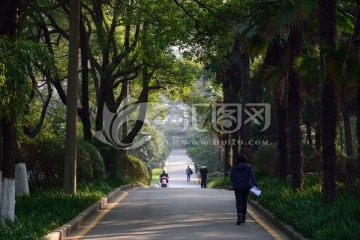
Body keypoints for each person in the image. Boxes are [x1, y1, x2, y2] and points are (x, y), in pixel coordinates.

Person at [230, 155, 259, 225]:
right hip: (246, 187)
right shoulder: (248, 167)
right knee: (244, 201)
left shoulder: (234, 167)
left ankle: (239, 215)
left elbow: (232, 178)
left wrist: (235, 179)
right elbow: (252, 177)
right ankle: (243, 217)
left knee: (238, 202)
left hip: (237, 187)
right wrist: (256, 186)